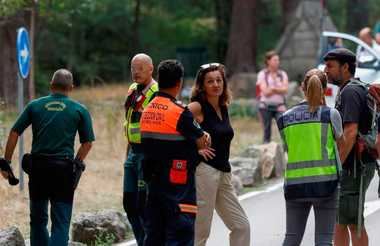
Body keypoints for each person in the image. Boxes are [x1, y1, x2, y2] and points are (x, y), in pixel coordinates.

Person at [2, 69, 94, 246]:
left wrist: (6, 162)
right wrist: (77, 162)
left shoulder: (34, 106)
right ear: (71, 88)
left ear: (51, 85)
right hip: (64, 171)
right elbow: (87, 143)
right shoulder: (79, 109)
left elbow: (14, 132)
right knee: (60, 224)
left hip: (38, 170)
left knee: (38, 221)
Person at [140, 59, 210, 245]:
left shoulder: (147, 110)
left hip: (154, 185)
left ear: (159, 80)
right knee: (180, 237)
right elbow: (202, 141)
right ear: (179, 84)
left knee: (155, 237)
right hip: (178, 187)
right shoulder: (180, 112)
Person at [277, 68, 343, 246]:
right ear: (324, 88)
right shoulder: (330, 115)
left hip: (294, 185)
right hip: (326, 184)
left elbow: (287, 146)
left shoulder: (284, 118)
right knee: (323, 239)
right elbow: (340, 142)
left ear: (302, 87)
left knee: (292, 238)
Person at [188, 63, 250, 246]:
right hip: (205, 172)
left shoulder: (223, 106)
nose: (215, 84)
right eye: (210, 81)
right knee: (201, 231)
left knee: (241, 226)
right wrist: (196, 149)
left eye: (218, 80)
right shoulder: (197, 107)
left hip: (224, 173)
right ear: (202, 85)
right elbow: (177, 124)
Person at [324, 48, 377, 246]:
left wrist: (336, 167)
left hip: (355, 167)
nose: (325, 70)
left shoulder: (351, 92)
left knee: (353, 222)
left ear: (345, 67)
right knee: (341, 221)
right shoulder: (350, 89)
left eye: (330, 66)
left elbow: (350, 132)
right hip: (355, 165)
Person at [122, 53, 158, 245]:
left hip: (147, 154)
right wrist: (126, 154)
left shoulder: (156, 92)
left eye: (140, 68)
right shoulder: (132, 89)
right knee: (129, 204)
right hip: (132, 153)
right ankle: (142, 241)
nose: (136, 72)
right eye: (133, 68)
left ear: (151, 69)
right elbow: (129, 122)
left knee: (144, 205)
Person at [257, 50, 289, 143]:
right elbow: (265, 92)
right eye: (275, 60)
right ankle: (266, 152)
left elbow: (286, 90)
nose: (277, 62)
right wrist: (279, 88)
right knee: (266, 131)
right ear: (268, 61)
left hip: (280, 106)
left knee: (284, 129)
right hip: (265, 106)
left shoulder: (283, 74)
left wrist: (272, 89)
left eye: (278, 60)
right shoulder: (262, 74)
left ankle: (286, 150)